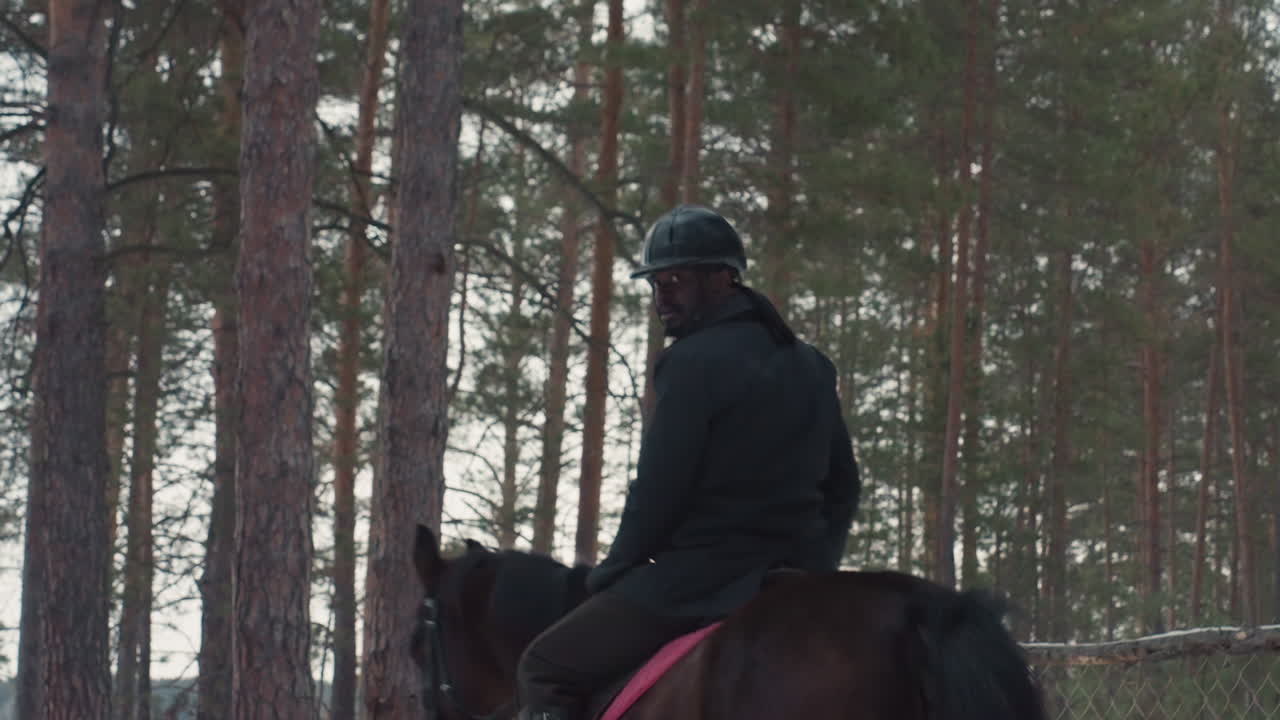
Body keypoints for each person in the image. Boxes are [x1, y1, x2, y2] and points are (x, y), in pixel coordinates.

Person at [516, 204, 861, 720]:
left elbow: (660, 486)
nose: (662, 298)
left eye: (675, 281)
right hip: (795, 575)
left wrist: (615, 572)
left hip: (701, 583)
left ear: (723, 278)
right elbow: (844, 487)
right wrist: (815, 567)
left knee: (544, 666)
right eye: (656, 283)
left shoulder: (692, 362)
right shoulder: (811, 364)